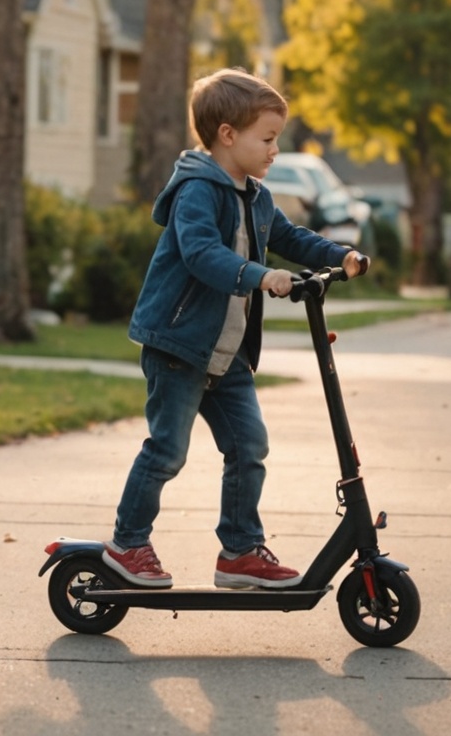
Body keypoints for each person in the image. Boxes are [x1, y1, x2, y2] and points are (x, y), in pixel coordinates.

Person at [105, 69, 368, 590]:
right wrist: (259, 275)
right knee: (167, 450)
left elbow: (288, 236)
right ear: (228, 135)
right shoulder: (197, 192)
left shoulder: (258, 196)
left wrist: (339, 254)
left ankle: (241, 551)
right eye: (267, 139)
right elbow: (203, 254)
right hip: (179, 344)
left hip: (226, 354)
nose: (275, 150)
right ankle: (127, 543)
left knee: (250, 447)